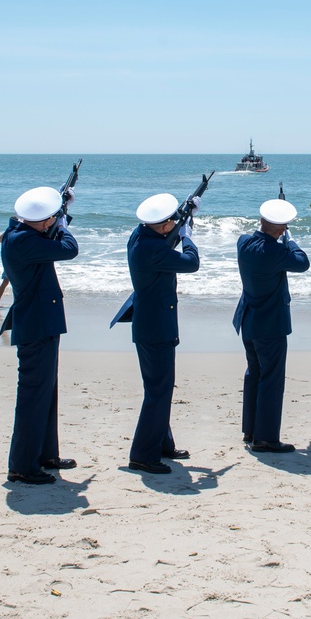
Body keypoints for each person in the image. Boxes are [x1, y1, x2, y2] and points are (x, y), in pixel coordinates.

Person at [0, 186, 78, 485]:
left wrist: (59, 213)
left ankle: (45, 454)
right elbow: (69, 248)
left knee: (46, 392)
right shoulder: (23, 241)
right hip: (36, 324)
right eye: (49, 218)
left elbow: (47, 236)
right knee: (33, 396)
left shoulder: (24, 234)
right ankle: (22, 465)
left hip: (42, 321)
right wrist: (62, 224)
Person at [124, 193, 199, 474]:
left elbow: (164, 238)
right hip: (156, 325)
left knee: (160, 389)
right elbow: (191, 262)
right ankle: (143, 454)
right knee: (158, 391)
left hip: (150, 321)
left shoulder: (141, 235)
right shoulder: (153, 249)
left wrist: (185, 214)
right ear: (165, 226)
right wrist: (189, 236)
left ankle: (162, 444)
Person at [233, 199, 310, 453]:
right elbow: (302, 262)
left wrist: (281, 237)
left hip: (248, 319)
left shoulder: (244, 242)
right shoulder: (275, 252)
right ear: (280, 228)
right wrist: (291, 240)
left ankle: (251, 429)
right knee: (272, 379)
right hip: (270, 324)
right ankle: (265, 437)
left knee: (254, 373)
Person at [0, 233, 11, 308]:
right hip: (10, 262)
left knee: (6, 282)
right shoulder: (9, 233)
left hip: (13, 261)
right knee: (5, 282)